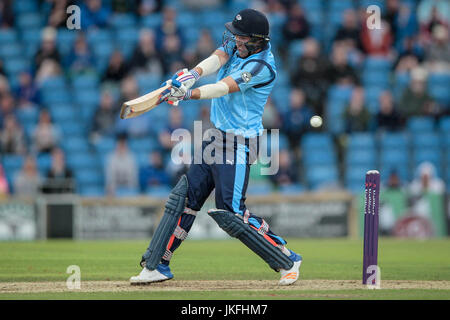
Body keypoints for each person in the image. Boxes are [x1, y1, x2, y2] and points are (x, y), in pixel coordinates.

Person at [130, 9, 302, 286]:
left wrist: (188, 94)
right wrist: (192, 74)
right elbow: (216, 59)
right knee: (184, 199)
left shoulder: (261, 67)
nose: (234, 40)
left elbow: (223, 87)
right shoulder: (237, 47)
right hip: (214, 136)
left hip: (240, 143)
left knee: (230, 213)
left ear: (256, 40)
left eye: (240, 36)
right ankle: (156, 265)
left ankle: (287, 258)